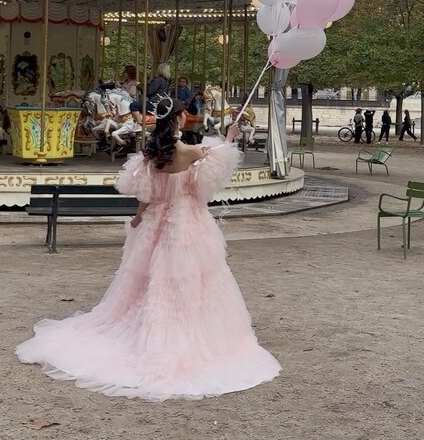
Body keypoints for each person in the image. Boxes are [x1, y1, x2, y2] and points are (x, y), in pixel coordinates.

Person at [16, 97, 281, 400]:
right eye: (184, 116)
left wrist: (140, 217)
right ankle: (188, 332)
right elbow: (212, 172)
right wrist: (230, 136)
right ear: (180, 119)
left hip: (157, 220)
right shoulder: (190, 152)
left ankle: (148, 329)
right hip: (187, 222)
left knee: (147, 279)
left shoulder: (152, 154)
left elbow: (147, 193)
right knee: (192, 277)